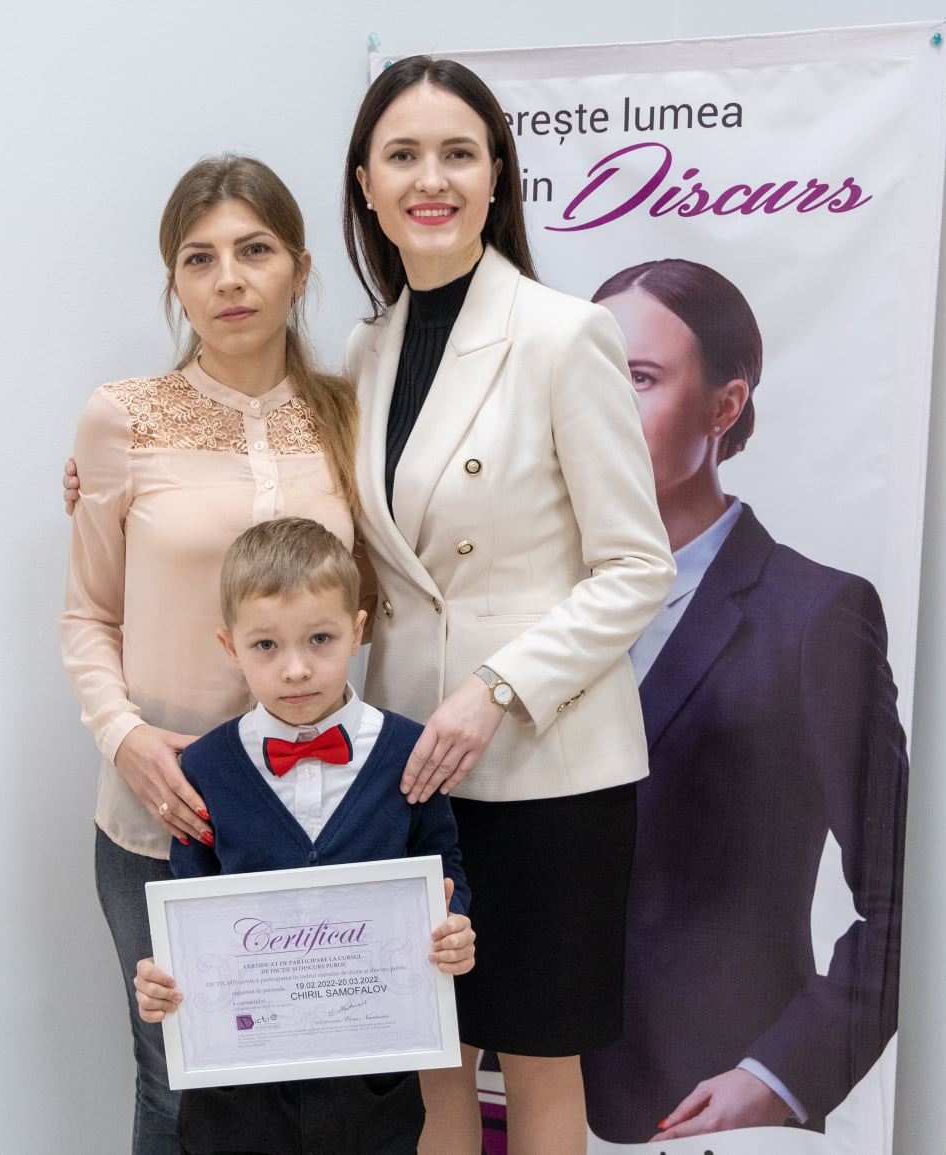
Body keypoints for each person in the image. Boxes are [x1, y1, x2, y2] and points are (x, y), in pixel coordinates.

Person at [340, 57, 676, 1155]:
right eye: (403, 155)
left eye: (457, 153)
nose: (430, 178)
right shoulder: (364, 351)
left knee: (536, 1056)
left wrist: (495, 687)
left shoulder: (564, 333)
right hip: (406, 762)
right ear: (366, 185)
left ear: (497, 177)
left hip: (544, 761)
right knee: (430, 1053)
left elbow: (637, 566)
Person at [60, 155, 360, 1155]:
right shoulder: (122, 418)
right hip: (164, 811)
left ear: (300, 270)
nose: (228, 279)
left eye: (254, 250)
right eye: (199, 258)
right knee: (179, 1082)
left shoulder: (350, 415)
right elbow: (88, 615)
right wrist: (126, 739)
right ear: (175, 282)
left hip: (320, 807)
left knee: (313, 1088)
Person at [581, 259, 908, 1143]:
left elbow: (904, 900)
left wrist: (775, 1078)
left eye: (639, 378)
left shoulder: (814, 616)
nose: (601, 409)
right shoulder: (529, 604)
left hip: (704, 1110)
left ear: (725, 407)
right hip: (524, 1092)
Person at [131, 517, 477, 1155]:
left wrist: (453, 926)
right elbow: (190, 907)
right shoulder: (203, 768)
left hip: (371, 1088)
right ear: (230, 646)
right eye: (265, 645)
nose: (296, 669)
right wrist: (164, 976)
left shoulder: (410, 753)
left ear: (358, 631)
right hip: (239, 1095)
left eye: (320, 638)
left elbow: (443, 866)